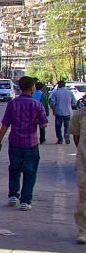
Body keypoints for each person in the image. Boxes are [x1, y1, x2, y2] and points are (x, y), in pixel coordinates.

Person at [0, 76, 48, 211]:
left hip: (15, 142)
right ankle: (25, 201)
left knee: (14, 168)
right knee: (30, 172)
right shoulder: (37, 105)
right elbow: (44, 124)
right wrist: (36, 120)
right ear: (32, 88)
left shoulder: (13, 104)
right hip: (31, 143)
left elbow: (5, 123)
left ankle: (13, 195)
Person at [72, 105, 86, 243]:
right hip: (84, 162)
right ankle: (83, 230)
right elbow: (76, 137)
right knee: (84, 197)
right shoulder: (80, 115)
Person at [49, 80, 75, 145]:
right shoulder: (70, 92)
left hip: (58, 112)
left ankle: (60, 139)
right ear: (64, 85)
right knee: (67, 125)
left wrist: (53, 110)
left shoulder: (55, 93)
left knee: (58, 127)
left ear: (58, 85)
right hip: (68, 112)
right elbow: (73, 103)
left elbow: (52, 103)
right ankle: (67, 134)